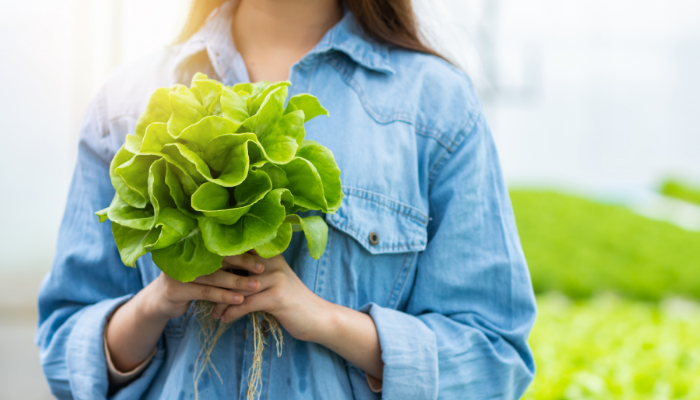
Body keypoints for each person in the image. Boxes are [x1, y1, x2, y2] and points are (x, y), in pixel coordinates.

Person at [36, 0, 537, 399]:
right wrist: (159, 300)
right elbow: (64, 347)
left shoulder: (435, 107)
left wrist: (328, 321)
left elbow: (494, 358)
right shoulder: (123, 105)